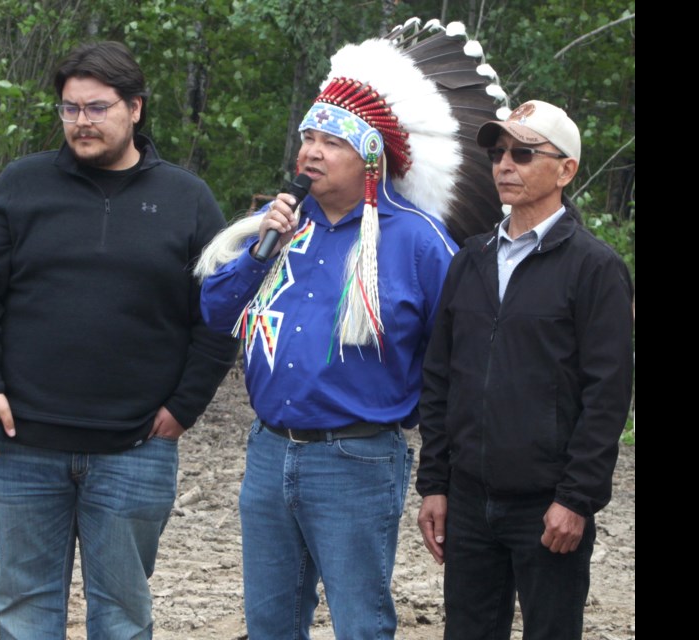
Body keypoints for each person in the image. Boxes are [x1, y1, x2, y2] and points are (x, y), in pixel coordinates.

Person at [195, 25, 506, 637]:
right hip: (268, 451)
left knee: (360, 622)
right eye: (307, 137)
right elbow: (213, 312)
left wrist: (442, 472)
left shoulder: (419, 243)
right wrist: (261, 250)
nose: (309, 151)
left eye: (329, 140)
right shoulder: (278, 227)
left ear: (369, 157)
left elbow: (459, 359)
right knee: (270, 622)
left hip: (358, 458)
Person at [0, 41, 238, 639]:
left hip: (135, 450)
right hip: (23, 444)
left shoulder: (188, 200)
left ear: (134, 108)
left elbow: (218, 315)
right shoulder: (20, 187)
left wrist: (184, 407)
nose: (81, 121)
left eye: (97, 107)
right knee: (24, 611)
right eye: (70, 109)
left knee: (123, 617)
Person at [416, 100, 634, 640]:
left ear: (566, 170)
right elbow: (441, 376)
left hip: (548, 506)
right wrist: (435, 484)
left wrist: (576, 499)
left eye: (523, 153)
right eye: (497, 153)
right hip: (468, 501)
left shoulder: (595, 268)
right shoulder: (469, 258)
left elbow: (608, 394)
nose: (503, 165)